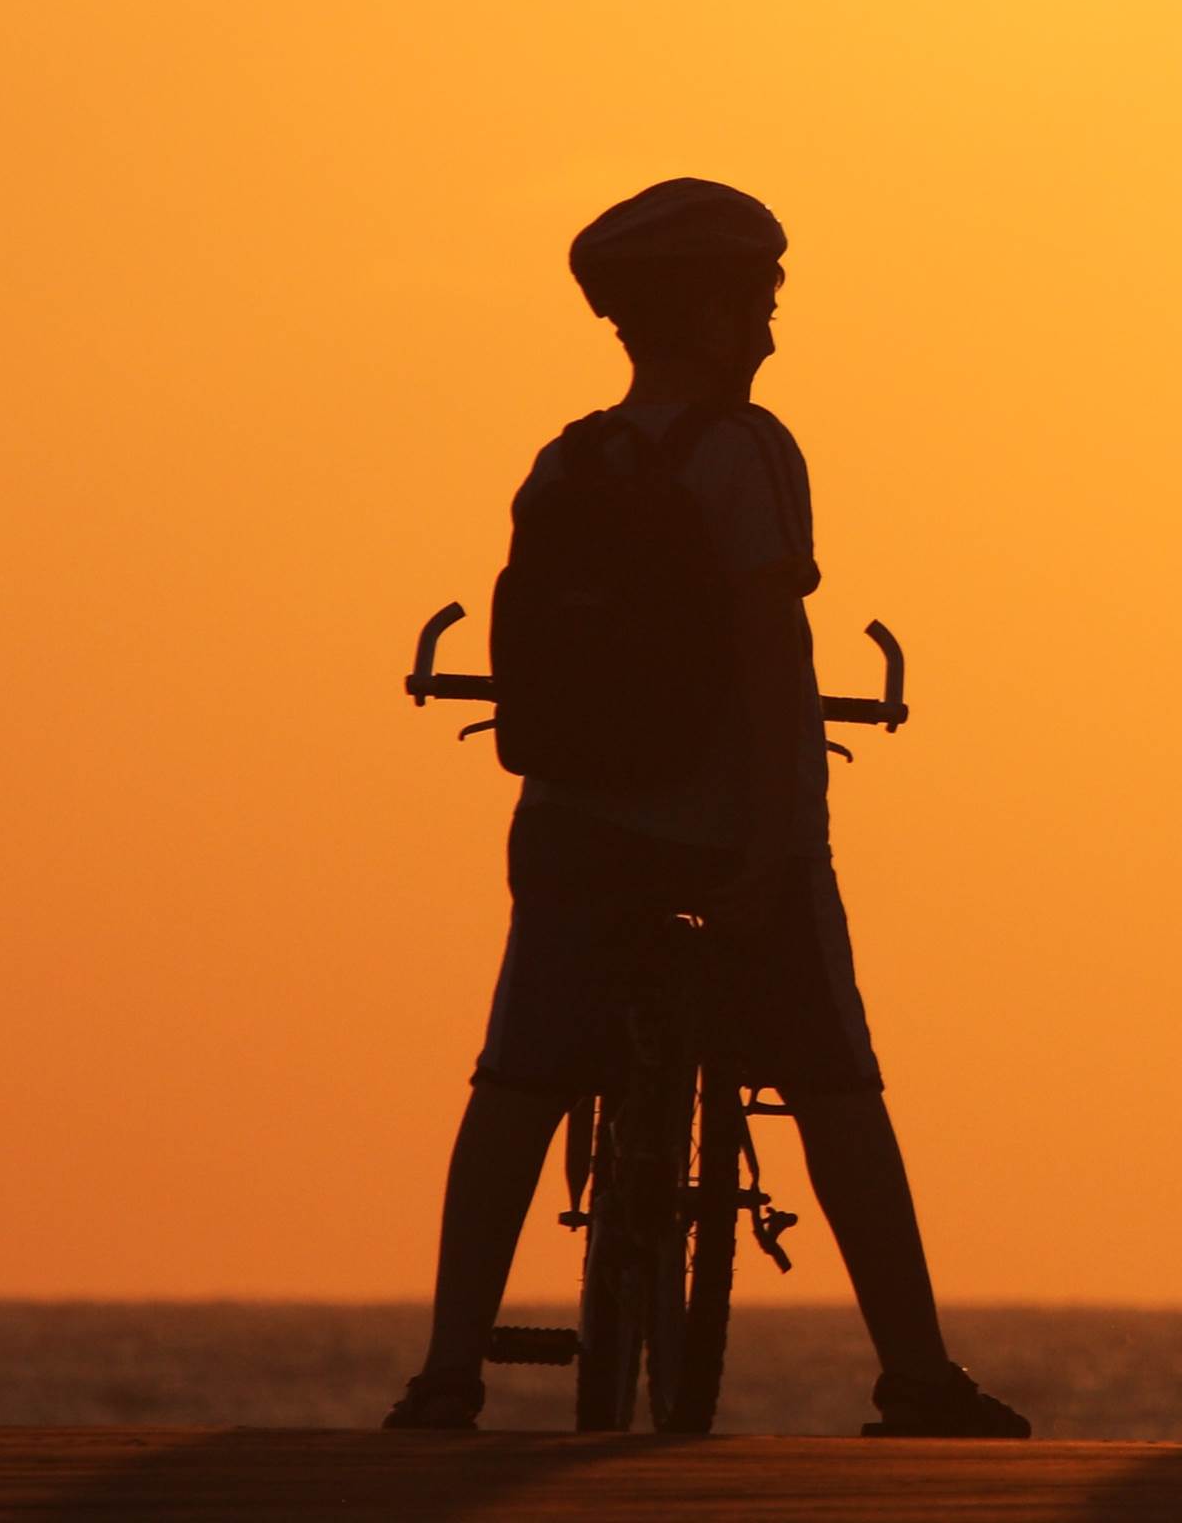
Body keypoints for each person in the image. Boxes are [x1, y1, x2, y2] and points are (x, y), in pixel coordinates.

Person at [384, 179, 1025, 1437]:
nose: (775, 335)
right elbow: (770, 653)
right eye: (763, 305)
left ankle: (446, 1371)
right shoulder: (747, 450)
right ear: (714, 314)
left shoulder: (564, 460)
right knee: (836, 1079)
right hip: (727, 830)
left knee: (515, 1075)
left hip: (571, 827)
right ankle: (916, 1373)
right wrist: (786, 839)